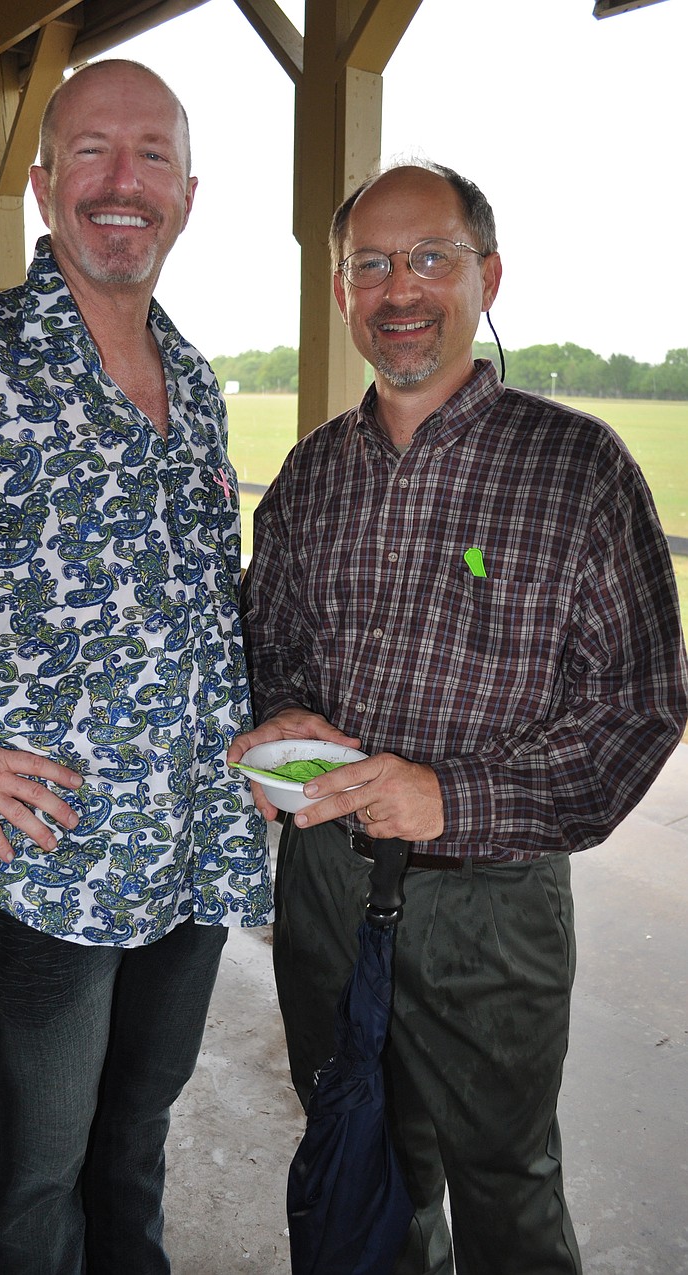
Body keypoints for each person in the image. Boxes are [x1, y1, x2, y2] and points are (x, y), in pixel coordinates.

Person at [0, 59, 272, 1275]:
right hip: (48, 865)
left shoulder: (191, 379)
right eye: (91, 151)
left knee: (134, 1137)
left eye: (150, 156)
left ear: (188, 193)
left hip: (192, 849)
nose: (121, 181)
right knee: (41, 1156)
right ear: (40, 186)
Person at [229, 160, 688, 1274]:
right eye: (370, 265)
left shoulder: (576, 468)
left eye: (429, 257)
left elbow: (639, 706)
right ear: (342, 292)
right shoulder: (311, 477)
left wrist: (451, 796)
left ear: (487, 275)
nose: (400, 290)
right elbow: (267, 643)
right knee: (364, 1156)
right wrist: (278, 713)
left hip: (491, 906)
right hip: (327, 887)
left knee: (506, 1184)